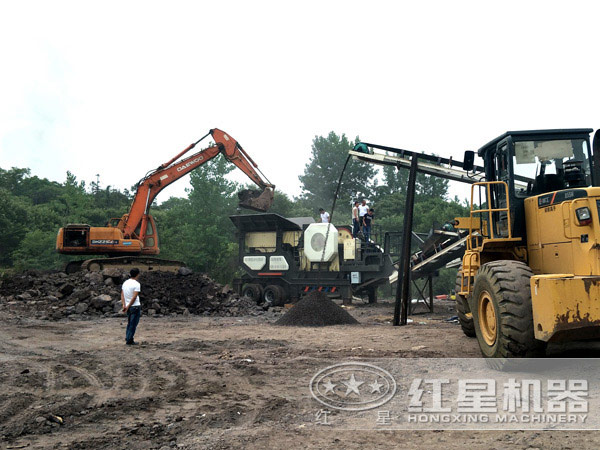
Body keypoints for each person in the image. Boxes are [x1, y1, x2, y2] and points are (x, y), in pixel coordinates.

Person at [121, 268, 142, 346]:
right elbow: (134, 297)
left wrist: (124, 305)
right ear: (137, 274)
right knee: (133, 324)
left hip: (128, 306)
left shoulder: (125, 282)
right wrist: (128, 305)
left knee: (129, 323)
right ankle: (129, 340)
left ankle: (128, 337)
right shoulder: (136, 284)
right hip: (135, 306)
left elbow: (122, 294)